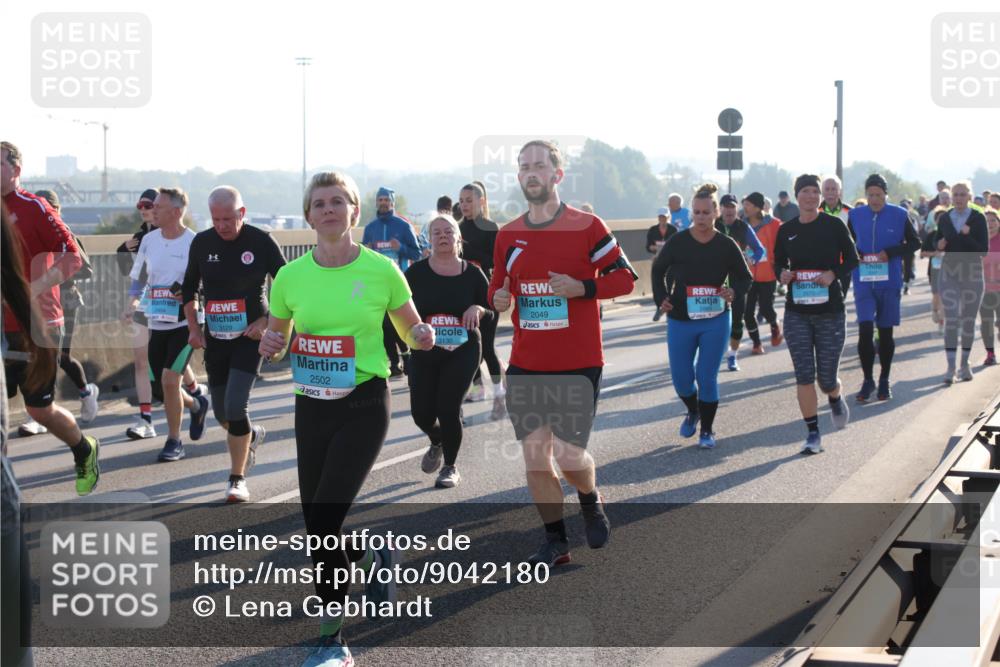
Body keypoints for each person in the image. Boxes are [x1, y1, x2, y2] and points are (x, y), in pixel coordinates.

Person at [259, 171, 434, 666]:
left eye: (339, 201)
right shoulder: (291, 277)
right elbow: (278, 341)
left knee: (325, 519)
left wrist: (422, 335)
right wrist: (273, 346)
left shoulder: (382, 270)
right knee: (316, 523)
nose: (329, 209)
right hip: (310, 404)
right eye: (319, 203)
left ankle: (331, 638)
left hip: (363, 403)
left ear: (355, 212)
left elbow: (409, 326)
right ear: (309, 215)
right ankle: (370, 557)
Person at [489, 140, 637, 567]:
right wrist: (498, 298)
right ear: (519, 177)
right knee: (536, 455)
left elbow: (625, 279)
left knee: (569, 455)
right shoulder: (507, 234)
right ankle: (555, 539)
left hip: (578, 361)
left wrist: (582, 288)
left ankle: (589, 498)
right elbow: (498, 285)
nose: (531, 173)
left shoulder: (587, 226)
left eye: (539, 165)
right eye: (524, 167)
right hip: (526, 363)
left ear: (557, 174)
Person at [1, 141, 100, 495]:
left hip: (35, 326)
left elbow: (73, 259)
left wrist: (30, 289)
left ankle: (83, 448)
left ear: (15, 170)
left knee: (39, 410)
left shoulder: (34, 207)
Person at [182, 186, 286, 502]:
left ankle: (236, 478)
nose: (222, 226)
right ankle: (251, 435)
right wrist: (194, 329)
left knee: (237, 405)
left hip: (250, 338)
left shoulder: (260, 241)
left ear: (242, 213)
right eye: (216, 219)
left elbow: (286, 283)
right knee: (223, 414)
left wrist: (267, 322)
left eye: (228, 218)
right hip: (216, 338)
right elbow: (189, 289)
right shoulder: (202, 242)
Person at [652, 183, 752, 449]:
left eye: (706, 212)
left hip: (716, 318)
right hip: (681, 319)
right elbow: (658, 269)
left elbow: (745, 278)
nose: (701, 217)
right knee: (682, 379)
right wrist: (661, 297)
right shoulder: (678, 241)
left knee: (706, 376)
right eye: (696, 212)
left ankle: (707, 430)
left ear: (716, 213)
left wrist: (733, 292)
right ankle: (693, 409)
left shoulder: (726, 244)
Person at [773, 174, 859, 454]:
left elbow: (853, 258)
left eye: (815, 191)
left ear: (821, 196)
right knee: (804, 375)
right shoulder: (786, 230)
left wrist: (833, 273)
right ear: (797, 196)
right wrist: (782, 274)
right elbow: (778, 264)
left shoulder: (833, 225)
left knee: (825, 378)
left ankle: (834, 395)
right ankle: (812, 434)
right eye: (805, 191)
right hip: (797, 312)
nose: (810, 196)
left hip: (829, 311)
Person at [124, 187, 208, 461]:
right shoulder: (149, 240)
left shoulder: (195, 242)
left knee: (171, 380)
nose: (153, 210)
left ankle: (174, 441)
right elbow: (140, 277)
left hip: (186, 322)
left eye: (158, 206)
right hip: (156, 320)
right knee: (162, 387)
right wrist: (133, 302)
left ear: (177, 211)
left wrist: (187, 292)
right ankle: (196, 404)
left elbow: (206, 284)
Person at [407, 214, 489, 488]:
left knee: (448, 407)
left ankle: (450, 466)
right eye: (436, 232)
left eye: (448, 231)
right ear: (429, 239)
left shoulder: (473, 274)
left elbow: (492, 309)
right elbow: (397, 311)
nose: (442, 236)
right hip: (424, 350)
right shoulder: (415, 274)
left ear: (458, 238)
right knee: (421, 414)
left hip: (463, 349)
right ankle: (437, 439)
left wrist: (478, 308)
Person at [848, 174, 921, 402]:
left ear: (886, 195)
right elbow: (847, 242)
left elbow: (915, 242)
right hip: (863, 281)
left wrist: (889, 253)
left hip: (889, 281)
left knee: (886, 331)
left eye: (878, 195)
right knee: (866, 329)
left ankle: (884, 380)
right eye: (870, 195)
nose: (874, 199)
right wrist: (855, 253)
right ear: (866, 195)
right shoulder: (855, 215)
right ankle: (868, 379)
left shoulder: (899, 215)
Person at [33, 189, 100, 425]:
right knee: (38, 354)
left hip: (67, 302)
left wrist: (56, 277)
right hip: (40, 303)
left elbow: (86, 268)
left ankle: (86, 392)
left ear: (58, 210)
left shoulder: (65, 234)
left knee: (61, 356)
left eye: (51, 207)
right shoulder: (32, 235)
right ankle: (39, 409)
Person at [458, 182, 506, 418]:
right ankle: (478, 388)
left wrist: (469, 252)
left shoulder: (490, 228)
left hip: (488, 293)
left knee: (487, 347)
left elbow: (495, 262)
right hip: (463, 295)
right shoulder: (456, 228)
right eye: (462, 201)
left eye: (469, 200)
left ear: (482, 201)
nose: (465, 205)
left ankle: (499, 395)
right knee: (468, 346)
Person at [934, 180, 990, 383]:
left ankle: (964, 365)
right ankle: (950, 368)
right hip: (950, 272)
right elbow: (938, 242)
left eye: (962, 194)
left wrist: (966, 236)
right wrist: (938, 244)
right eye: (955, 194)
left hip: (972, 273)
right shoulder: (945, 218)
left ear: (969, 196)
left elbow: (983, 249)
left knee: (968, 320)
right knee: (951, 320)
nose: (958, 198)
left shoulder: (977, 218)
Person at [362, 186, 421, 377]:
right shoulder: (370, 228)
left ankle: (406, 355)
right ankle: (394, 363)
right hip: (376, 284)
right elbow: (362, 257)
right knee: (383, 325)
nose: (383, 203)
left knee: (398, 324)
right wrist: (368, 251)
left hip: (399, 281)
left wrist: (400, 247)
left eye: (386, 200)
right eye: (380, 200)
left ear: (392, 203)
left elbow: (417, 253)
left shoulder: (403, 226)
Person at [715, 193, 764, 370]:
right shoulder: (713, 224)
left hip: (737, 279)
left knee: (737, 320)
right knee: (713, 318)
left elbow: (760, 250)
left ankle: (732, 356)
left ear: (737, 209)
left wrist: (749, 258)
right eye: (726, 206)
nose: (729, 210)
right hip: (715, 279)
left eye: (732, 207)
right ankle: (711, 354)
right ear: (720, 209)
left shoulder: (743, 227)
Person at [741, 192, 783, 354]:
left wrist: (778, 266)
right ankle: (757, 344)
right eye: (744, 204)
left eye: (749, 205)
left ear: (758, 207)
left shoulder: (774, 224)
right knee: (748, 312)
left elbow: (781, 247)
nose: (745, 207)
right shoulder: (741, 225)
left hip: (768, 274)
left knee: (766, 308)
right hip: (747, 275)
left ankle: (774, 325)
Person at [647, 206, 677, 321]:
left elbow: (676, 245)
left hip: (671, 262)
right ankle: (659, 306)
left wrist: (666, 247)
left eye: (664, 217)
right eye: (660, 217)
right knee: (656, 285)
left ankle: (669, 307)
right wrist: (654, 247)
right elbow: (648, 246)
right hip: (657, 261)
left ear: (668, 217)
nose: (662, 219)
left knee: (670, 284)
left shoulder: (673, 230)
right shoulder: (652, 230)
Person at [980, 208, 1000, 366]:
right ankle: (990, 353)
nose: (990, 224)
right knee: (986, 323)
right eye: (987, 221)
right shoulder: (978, 241)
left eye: (993, 220)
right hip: (983, 290)